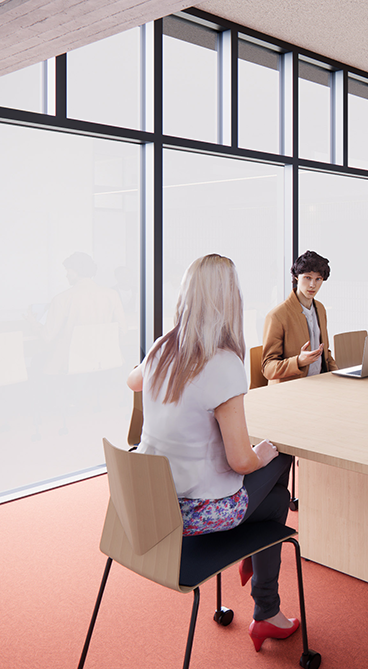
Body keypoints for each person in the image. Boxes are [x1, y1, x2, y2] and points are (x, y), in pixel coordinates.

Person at [127, 254, 300, 651]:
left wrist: (158, 365)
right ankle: (265, 606)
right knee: (281, 465)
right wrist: (265, 453)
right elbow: (241, 461)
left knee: (273, 500)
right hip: (198, 513)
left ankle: (262, 583)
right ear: (230, 300)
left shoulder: (163, 347)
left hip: (152, 506)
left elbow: (132, 382)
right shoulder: (222, 362)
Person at [261, 251, 337, 383]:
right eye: (308, 277)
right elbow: (268, 368)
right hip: (292, 388)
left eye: (318, 279)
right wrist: (298, 361)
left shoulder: (320, 309)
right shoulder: (277, 316)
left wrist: (340, 377)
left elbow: (326, 355)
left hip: (321, 383)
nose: (313, 285)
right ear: (297, 277)